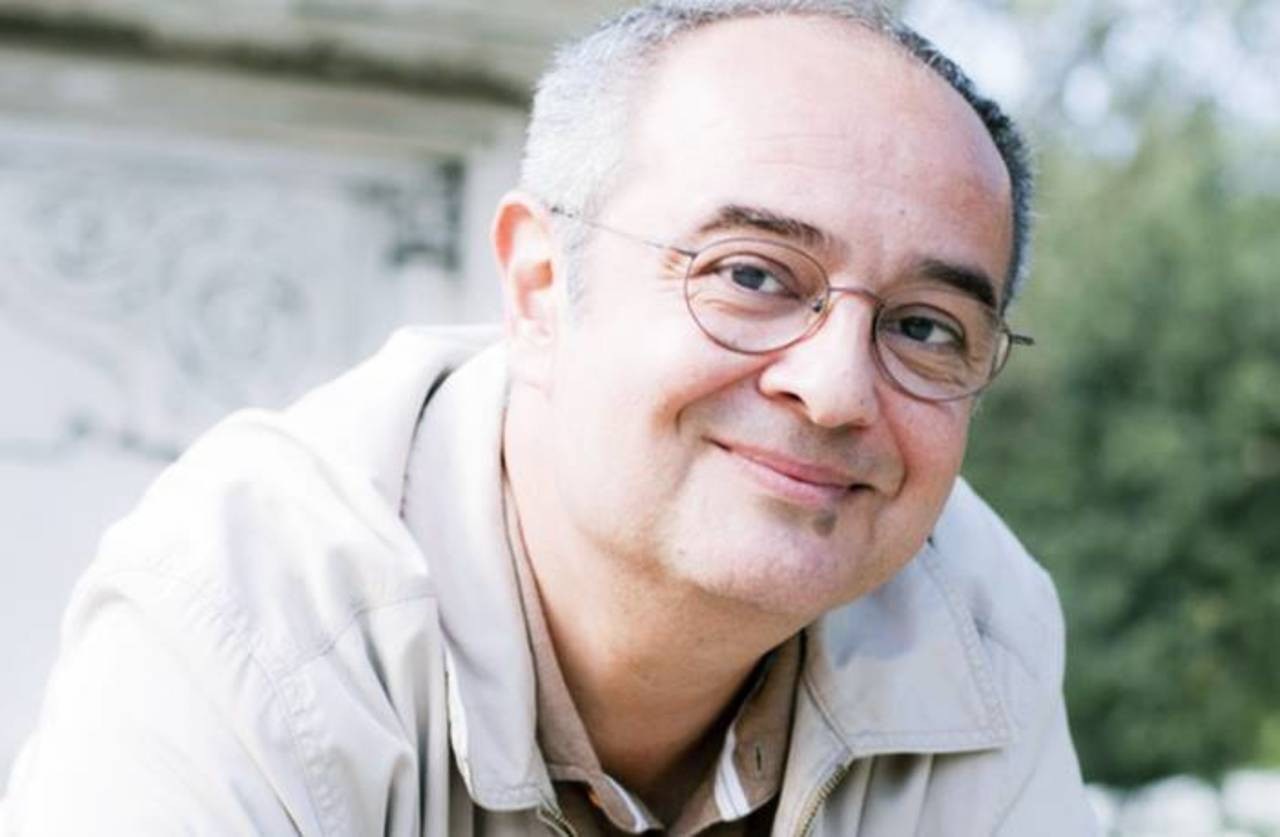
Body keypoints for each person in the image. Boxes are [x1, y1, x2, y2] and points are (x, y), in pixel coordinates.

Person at [1, 0, 1099, 834]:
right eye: (751, 275)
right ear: (538, 287)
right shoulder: (249, 613)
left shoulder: (974, 622)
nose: (837, 389)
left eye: (925, 327)